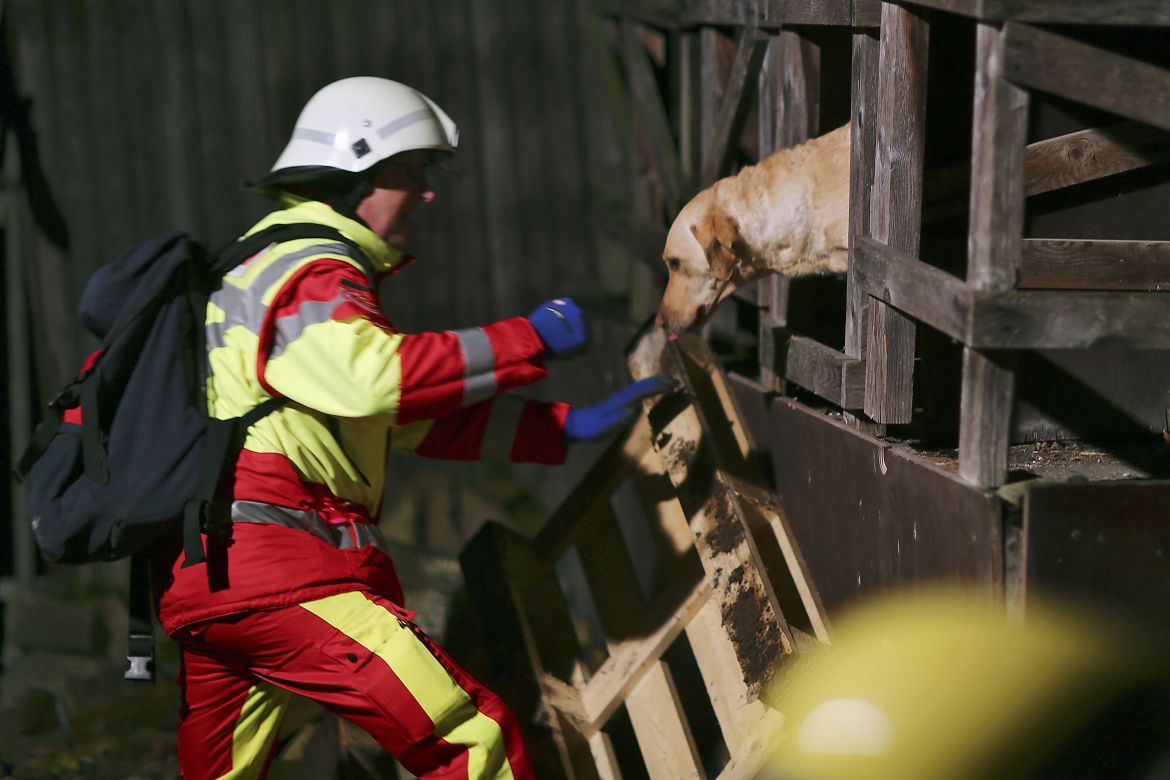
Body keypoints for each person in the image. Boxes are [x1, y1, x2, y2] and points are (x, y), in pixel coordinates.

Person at [154, 76, 673, 779]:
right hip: (283, 574)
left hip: (212, 580)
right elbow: (379, 380)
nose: (427, 192)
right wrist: (529, 338)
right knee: (472, 742)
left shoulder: (255, 268)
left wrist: (556, 427)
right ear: (354, 173)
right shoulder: (313, 270)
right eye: (411, 170)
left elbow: (394, 423)